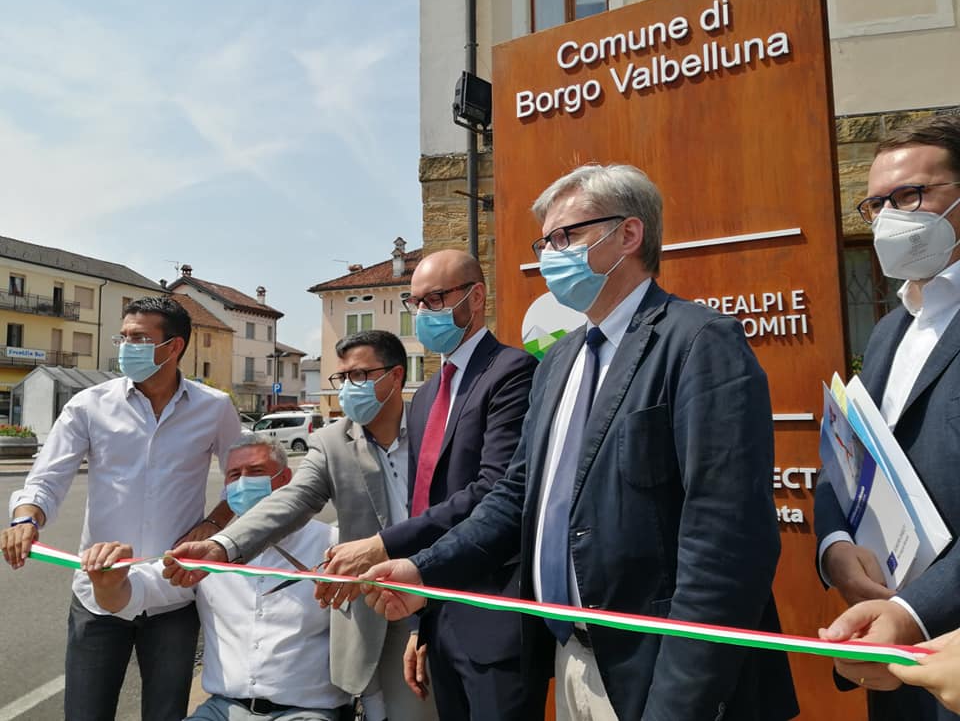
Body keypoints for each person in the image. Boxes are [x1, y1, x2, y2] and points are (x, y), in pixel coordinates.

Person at [360, 163, 798, 720]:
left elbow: (726, 545)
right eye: (544, 241)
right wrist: (425, 571)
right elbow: (514, 496)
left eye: (566, 236)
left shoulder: (699, 343)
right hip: (575, 662)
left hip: (662, 674)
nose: (549, 255)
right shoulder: (560, 361)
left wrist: (678, 702)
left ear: (629, 235)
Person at [164, 331, 438, 721]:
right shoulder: (331, 441)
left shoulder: (436, 430)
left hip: (440, 594)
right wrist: (223, 545)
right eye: (342, 378)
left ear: (396, 376)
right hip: (378, 606)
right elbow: (293, 499)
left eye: (360, 376)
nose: (348, 388)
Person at [323, 249, 544, 720]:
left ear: (476, 296)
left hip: (494, 617)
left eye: (436, 299)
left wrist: (383, 545)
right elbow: (428, 499)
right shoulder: (424, 396)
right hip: (437, 612)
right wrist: (423, 626)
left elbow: (493, 491)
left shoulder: (511, 372)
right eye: (415, 302)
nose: (423, 313)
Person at [0, 296, 241, 721]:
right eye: (124, 336)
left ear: (174, 347)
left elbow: (243, 481)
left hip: (173, 594)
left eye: (140, 338)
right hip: (99, 596)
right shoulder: (89, 404)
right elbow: (48, 476)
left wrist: (213, 524)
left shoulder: (214, 408)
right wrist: (26, 517)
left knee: (165, 715)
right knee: (85, 713)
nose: (126, 346)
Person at [816, 114, 960, 721]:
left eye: (910, 195)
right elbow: (848, 463)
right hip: (895, 670)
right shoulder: (885, 333)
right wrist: (836, 546)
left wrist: (913, 612)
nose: (889, 217)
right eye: (876, 204)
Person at [82, 433, 354, 721]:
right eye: (234, 475)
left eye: (256, 472)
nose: (244, 483)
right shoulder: (207, 554)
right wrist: (108, 583)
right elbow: (135, 594)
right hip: (222, 710)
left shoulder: (335, 549)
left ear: (286, 479)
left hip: (307, 713)